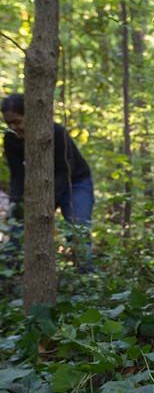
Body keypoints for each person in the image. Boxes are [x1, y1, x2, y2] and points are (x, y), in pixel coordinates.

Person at [2, 93, 94, 270]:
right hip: (38, 186)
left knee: (78, 230)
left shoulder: (55, 132)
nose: (13, 127)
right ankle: (10, 275)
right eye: (9, 123)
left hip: (74, 183)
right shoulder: (10, 139)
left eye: (17, 121)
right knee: (18, 229)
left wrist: (46, 202)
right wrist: (16, 204)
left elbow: (63, 170)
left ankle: (85, 279)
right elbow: (17, 175)